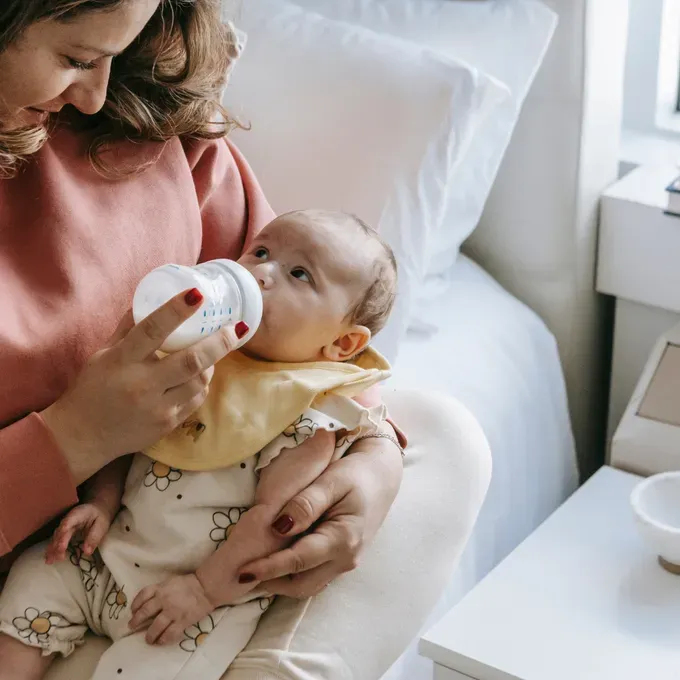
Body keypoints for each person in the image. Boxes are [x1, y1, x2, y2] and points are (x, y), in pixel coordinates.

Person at [0, 1, 492, 679]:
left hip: (167, 583)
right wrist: (74, 439)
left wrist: (369, 460)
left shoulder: (151, 122)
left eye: (125, 47)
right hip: (43, 561)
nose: (97, 95)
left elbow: (305, 339)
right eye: (76, 58)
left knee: (443, 433)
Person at [0, 210, 398, 679]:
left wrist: (205, 591)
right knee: (35, 579)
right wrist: (103, 503)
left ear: (342, 343)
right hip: (104, 561)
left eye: (299, 274)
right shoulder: (189, 355)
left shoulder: (306, 414)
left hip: (189, 603)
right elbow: (122, 436)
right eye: (261, 252)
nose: (261, 273)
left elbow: (274, 522)